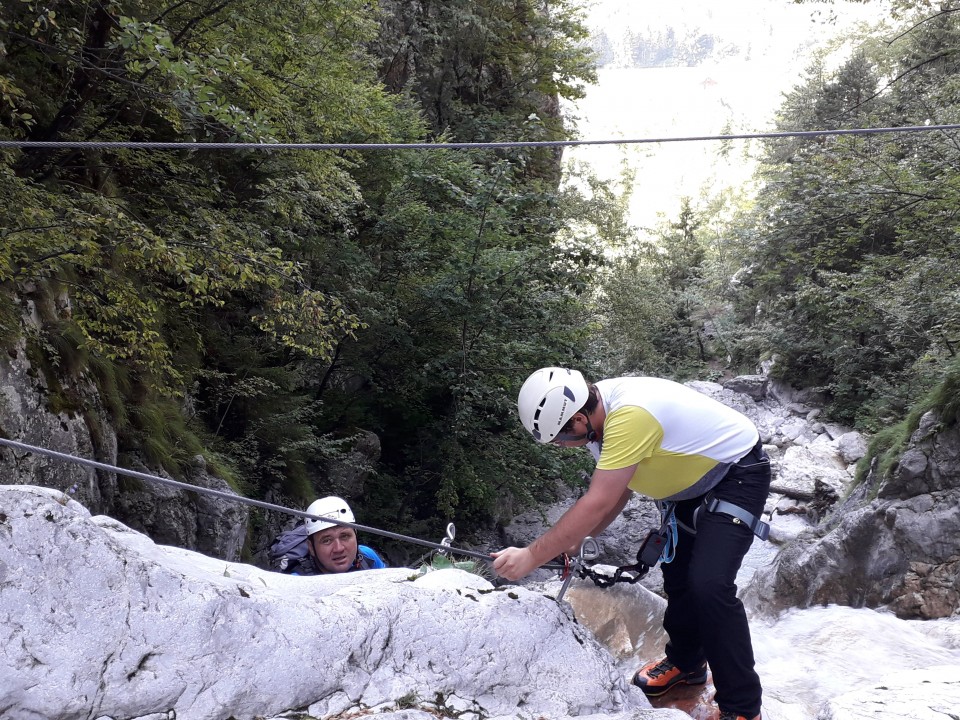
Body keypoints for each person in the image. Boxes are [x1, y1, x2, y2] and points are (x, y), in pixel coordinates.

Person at [492, 367, 771, 720]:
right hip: (689, 489)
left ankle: (743, 707)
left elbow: (597, 501)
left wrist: (532, 556)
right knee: (679, 579)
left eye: (562, 439)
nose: (564, 447)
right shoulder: (599, 419)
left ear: (578, 419)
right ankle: (687, 664)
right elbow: (618, 491)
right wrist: (571, 544)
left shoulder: (630, 416)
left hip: (736, 475)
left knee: (710, 585)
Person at [297, 495, 387, 574]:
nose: (338, 549)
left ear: (355, 534)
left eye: (345, 536)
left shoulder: (367, 557)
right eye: (327, 540)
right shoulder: (298, 581)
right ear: (311, 548)